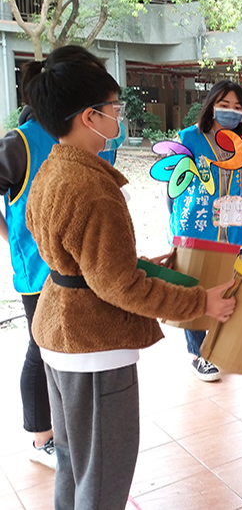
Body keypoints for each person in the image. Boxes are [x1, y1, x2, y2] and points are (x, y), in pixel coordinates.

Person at [22, 45, 236, 510]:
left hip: (59, 331)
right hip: (93, 346)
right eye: (115, 108)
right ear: (88, 116)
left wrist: (142, 264)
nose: (120, 116)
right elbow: (117, 286)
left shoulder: (52, 169)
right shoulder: (92, 187)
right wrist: (202, 304)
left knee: (76, 469)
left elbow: (84, 262)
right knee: (103, 479)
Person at [0, 92, 119, 468]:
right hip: (38, 272)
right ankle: (40, 439)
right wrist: (13, 237)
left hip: (81, 269)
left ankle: (64, 432)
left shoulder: (82, 136)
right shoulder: (20, 142)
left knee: (67, 352)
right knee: (41, 350)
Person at [167, 80, 242, 382]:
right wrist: (177, 223)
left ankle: (217, 348)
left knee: (226, 289)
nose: (231, 112)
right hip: (197, 228)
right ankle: (198, 353)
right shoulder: (189, 138)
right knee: (196, 289)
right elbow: (172, 188)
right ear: (211, 105)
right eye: (225, 105)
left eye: (238, 107)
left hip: (233, 229)